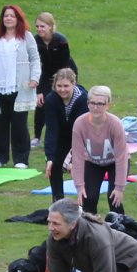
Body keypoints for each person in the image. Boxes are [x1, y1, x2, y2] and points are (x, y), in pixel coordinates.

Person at [0, 4, 40, 168]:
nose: (8, 18)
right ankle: (0, 156)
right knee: (0, 122)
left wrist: (35, 77)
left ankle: (21, 159)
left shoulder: (26, 37)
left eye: (12, 16)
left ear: (18, 19)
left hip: (19, 87)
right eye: (5, 16)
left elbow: (35, 58)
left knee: (19, 123)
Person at [70, 85, 129, 214]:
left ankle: (121, 230)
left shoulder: (115, 124)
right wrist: (79, 187)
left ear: (108, 105)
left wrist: (119, 188)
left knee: (114, 198)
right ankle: (92, 230)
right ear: (88, 104)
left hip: (114, 162)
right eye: (93, 103)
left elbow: (121, 157)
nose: (96, 107)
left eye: (100, 104)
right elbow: (78, 157)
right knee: (88, 198)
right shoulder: (80, 123)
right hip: (93, 162)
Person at [40, 68, 88, 201]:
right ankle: (58, 201)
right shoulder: (51, 99)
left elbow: (82, 131)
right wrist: (50, 157)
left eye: (66, 86)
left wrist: (73, 159)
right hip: (61, 136)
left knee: (80, 169)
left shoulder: (83, 99)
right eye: (59, 86)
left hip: (81, 137)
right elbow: (51, 129)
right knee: (54, 165)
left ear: (74, 83)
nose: (62, 90)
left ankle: (85, 201)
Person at [32, 13, 76, 141]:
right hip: (45, 73)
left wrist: (62, 83)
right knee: (41, 102)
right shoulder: (35, 41)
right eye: (37, 26)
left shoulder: (61, 40)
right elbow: (36, 65)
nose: (39, 29)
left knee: (64, 99)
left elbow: (65, 63)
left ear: (50, 27)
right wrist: (39, 90)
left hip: (65, 71)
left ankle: (66, 132)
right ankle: (37, 136)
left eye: (42, 26)